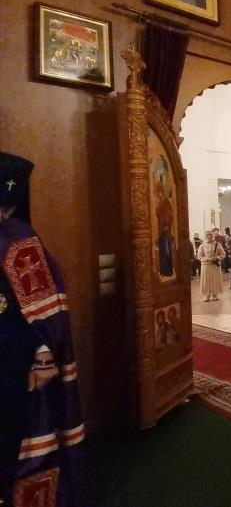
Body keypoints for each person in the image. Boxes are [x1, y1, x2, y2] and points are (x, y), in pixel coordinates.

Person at [0, 152, 85, 507]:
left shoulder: (20, 241)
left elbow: (45, 316)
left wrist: (42, 353)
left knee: (21, 442)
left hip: (16, 363)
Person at [197, 231, 225, 302]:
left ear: (212, 235)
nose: (209, 236)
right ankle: (207, 295)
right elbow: (199, 256)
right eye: (207, 235)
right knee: (206, 280)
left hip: (215, 265)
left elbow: (223, 254)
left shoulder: (218, 244)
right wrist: (206, 259)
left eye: (210, 234)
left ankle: (215, 295)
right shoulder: (202, 245)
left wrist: (217, 258)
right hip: (205, 266)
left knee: (215, 280)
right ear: (205, 236)